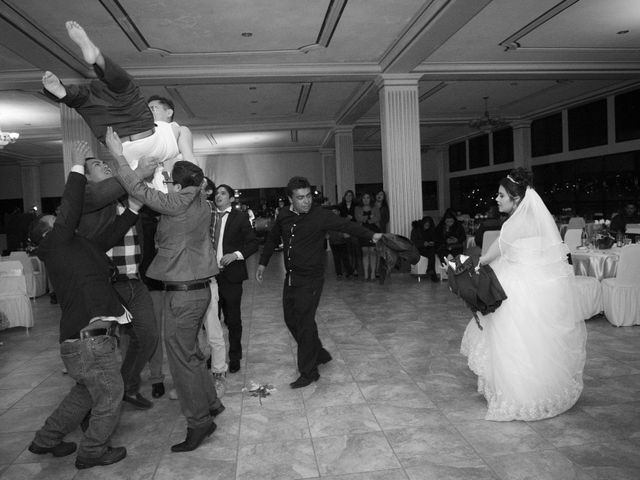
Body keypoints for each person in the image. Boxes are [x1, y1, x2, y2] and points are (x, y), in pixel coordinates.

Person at [105, 127, 224, 453]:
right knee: (193, 355)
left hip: (185, 294)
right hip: (194, 290)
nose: (168, 187)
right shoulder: (198, 199)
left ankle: (200, 422)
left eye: (171, 182)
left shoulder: (183, 200)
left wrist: (118, 156)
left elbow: (141, 192)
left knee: (182, 360)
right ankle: (211, 404)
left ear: (180, 184)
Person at [27, 144, 141, 469]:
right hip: (90, 341)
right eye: (57, 221)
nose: (66, 223)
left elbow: (111, 235)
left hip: (80, 343)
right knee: (109, 394)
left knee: (86, 393)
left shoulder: (76, 247)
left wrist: (133, 207)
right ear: (49, 231)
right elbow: (70, 207)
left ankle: (46, 438)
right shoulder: (56, 243)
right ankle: (92, 451)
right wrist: (77, 166)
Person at [460, 167, 587, 421]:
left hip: (515, 286)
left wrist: (475, 263)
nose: (497, 199)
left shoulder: (514, 224)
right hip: (538, 285)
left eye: (501, 195)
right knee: (536, 340)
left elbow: (496, 251)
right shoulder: (534, 219)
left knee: (512, 341)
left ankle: (518, 394)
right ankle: (540, 387)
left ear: (516, 199)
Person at [256, 177, 383, 388]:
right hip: (291, 277)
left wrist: (372, 235)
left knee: (305, 323)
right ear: (290, 199)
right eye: (300, 198)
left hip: (312, 278)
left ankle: (309, 372)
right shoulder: (284, 216)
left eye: (308, 196)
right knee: (291, 320)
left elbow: (347, 225)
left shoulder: (320, 216)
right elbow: (272, 238)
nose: (306, 201)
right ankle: (319, 352)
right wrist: (262, 263)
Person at [41, 22, 192, 174]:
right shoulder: (169, 132)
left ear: (169, 112)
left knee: (128, 89)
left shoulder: (179, 130)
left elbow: (191, 160)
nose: (151, 110)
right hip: (122, 143)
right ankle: (65, 90)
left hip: (130, 137)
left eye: (154, 108)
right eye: (149, 107)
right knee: (91, 104)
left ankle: (97, 59)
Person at [76, 143, 158, 410]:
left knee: (147, 337)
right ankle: (97, 404)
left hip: (135, 280)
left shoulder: (125, 197)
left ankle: (126, 386)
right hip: (108, 285)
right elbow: (102, 240)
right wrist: (136, 172)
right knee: (102, 348)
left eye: (106, 163)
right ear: (87, 178)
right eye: (98, 165)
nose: (106, 166)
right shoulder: (87, 198)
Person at [213, 184, 259, 374]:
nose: (218, 196)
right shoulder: (208, 218)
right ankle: (215, 356)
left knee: (233, 319)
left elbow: (253, 243)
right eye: (216, 193)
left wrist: (236, 255)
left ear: (231, 198)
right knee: (212, 322)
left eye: (223, 193)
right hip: (210, 277)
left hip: (231, 276)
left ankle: (235, 356)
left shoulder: (240, 217)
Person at [354, 192, 381, 281]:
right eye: (364, 198)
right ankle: (366, 274)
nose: (366, 199)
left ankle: (373, 273)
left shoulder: (375, 207)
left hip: (374, 230)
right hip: (362, 231)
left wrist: (366, 218)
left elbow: (378, 218)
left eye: (368, 197)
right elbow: (358, 218)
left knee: (373, 251)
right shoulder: (357, 208)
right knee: (365, 251)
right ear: (361, 199)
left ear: (370, 199)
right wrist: (370, 217)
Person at [339, 190, 361, 277]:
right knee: (346, 250)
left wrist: (352, 218)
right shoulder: (341, 206)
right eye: (347, 195)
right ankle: (348, 269)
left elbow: (358, 217)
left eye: (350, 195)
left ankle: (355, 269)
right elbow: (339, 218)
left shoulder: (356, 206)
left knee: (355, 249)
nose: (349, 197)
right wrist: (346, 219)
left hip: (354, 229)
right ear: (344, 196)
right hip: (345, 229)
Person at [328, 207, 354, 279]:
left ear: (338, 212)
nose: (334, 213)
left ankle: (349, 272)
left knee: (345, 258)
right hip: (333, 242)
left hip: (343, 242)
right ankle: (339, 273)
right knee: (336, 259)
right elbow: (329, 232)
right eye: (332, 211)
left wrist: (343, 234)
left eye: (335, 211)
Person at [410, 216, 438, 282]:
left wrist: (432, 243)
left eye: (428, 225)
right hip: (418, 249)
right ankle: (432, 273)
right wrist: (423, 244)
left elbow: (435, 239)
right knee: (431, 253)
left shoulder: (431, 230)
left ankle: (430, 270)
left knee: (432, 251)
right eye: (426, 225)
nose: (427, 226)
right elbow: (413, 242)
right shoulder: (416, 230)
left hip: (428, 248)